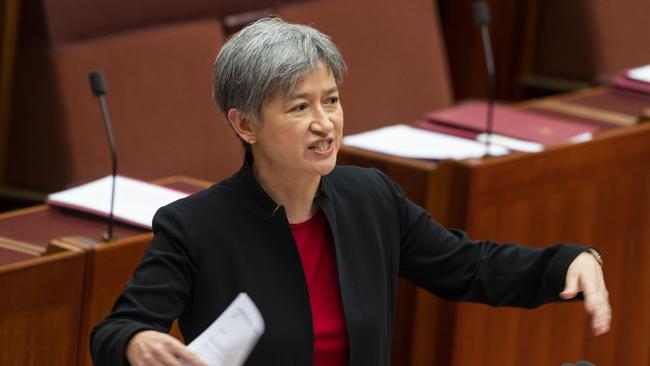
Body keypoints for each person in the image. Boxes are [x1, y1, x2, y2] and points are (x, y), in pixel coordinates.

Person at [90, 17, 611, 366]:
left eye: (331, 100)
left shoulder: (370, 198)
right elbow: (117, 329)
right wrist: (138, 343)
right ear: (244, 124)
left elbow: (468, 266)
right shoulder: (195, 226)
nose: (325, 124)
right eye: (300, 108)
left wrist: (564, 263)